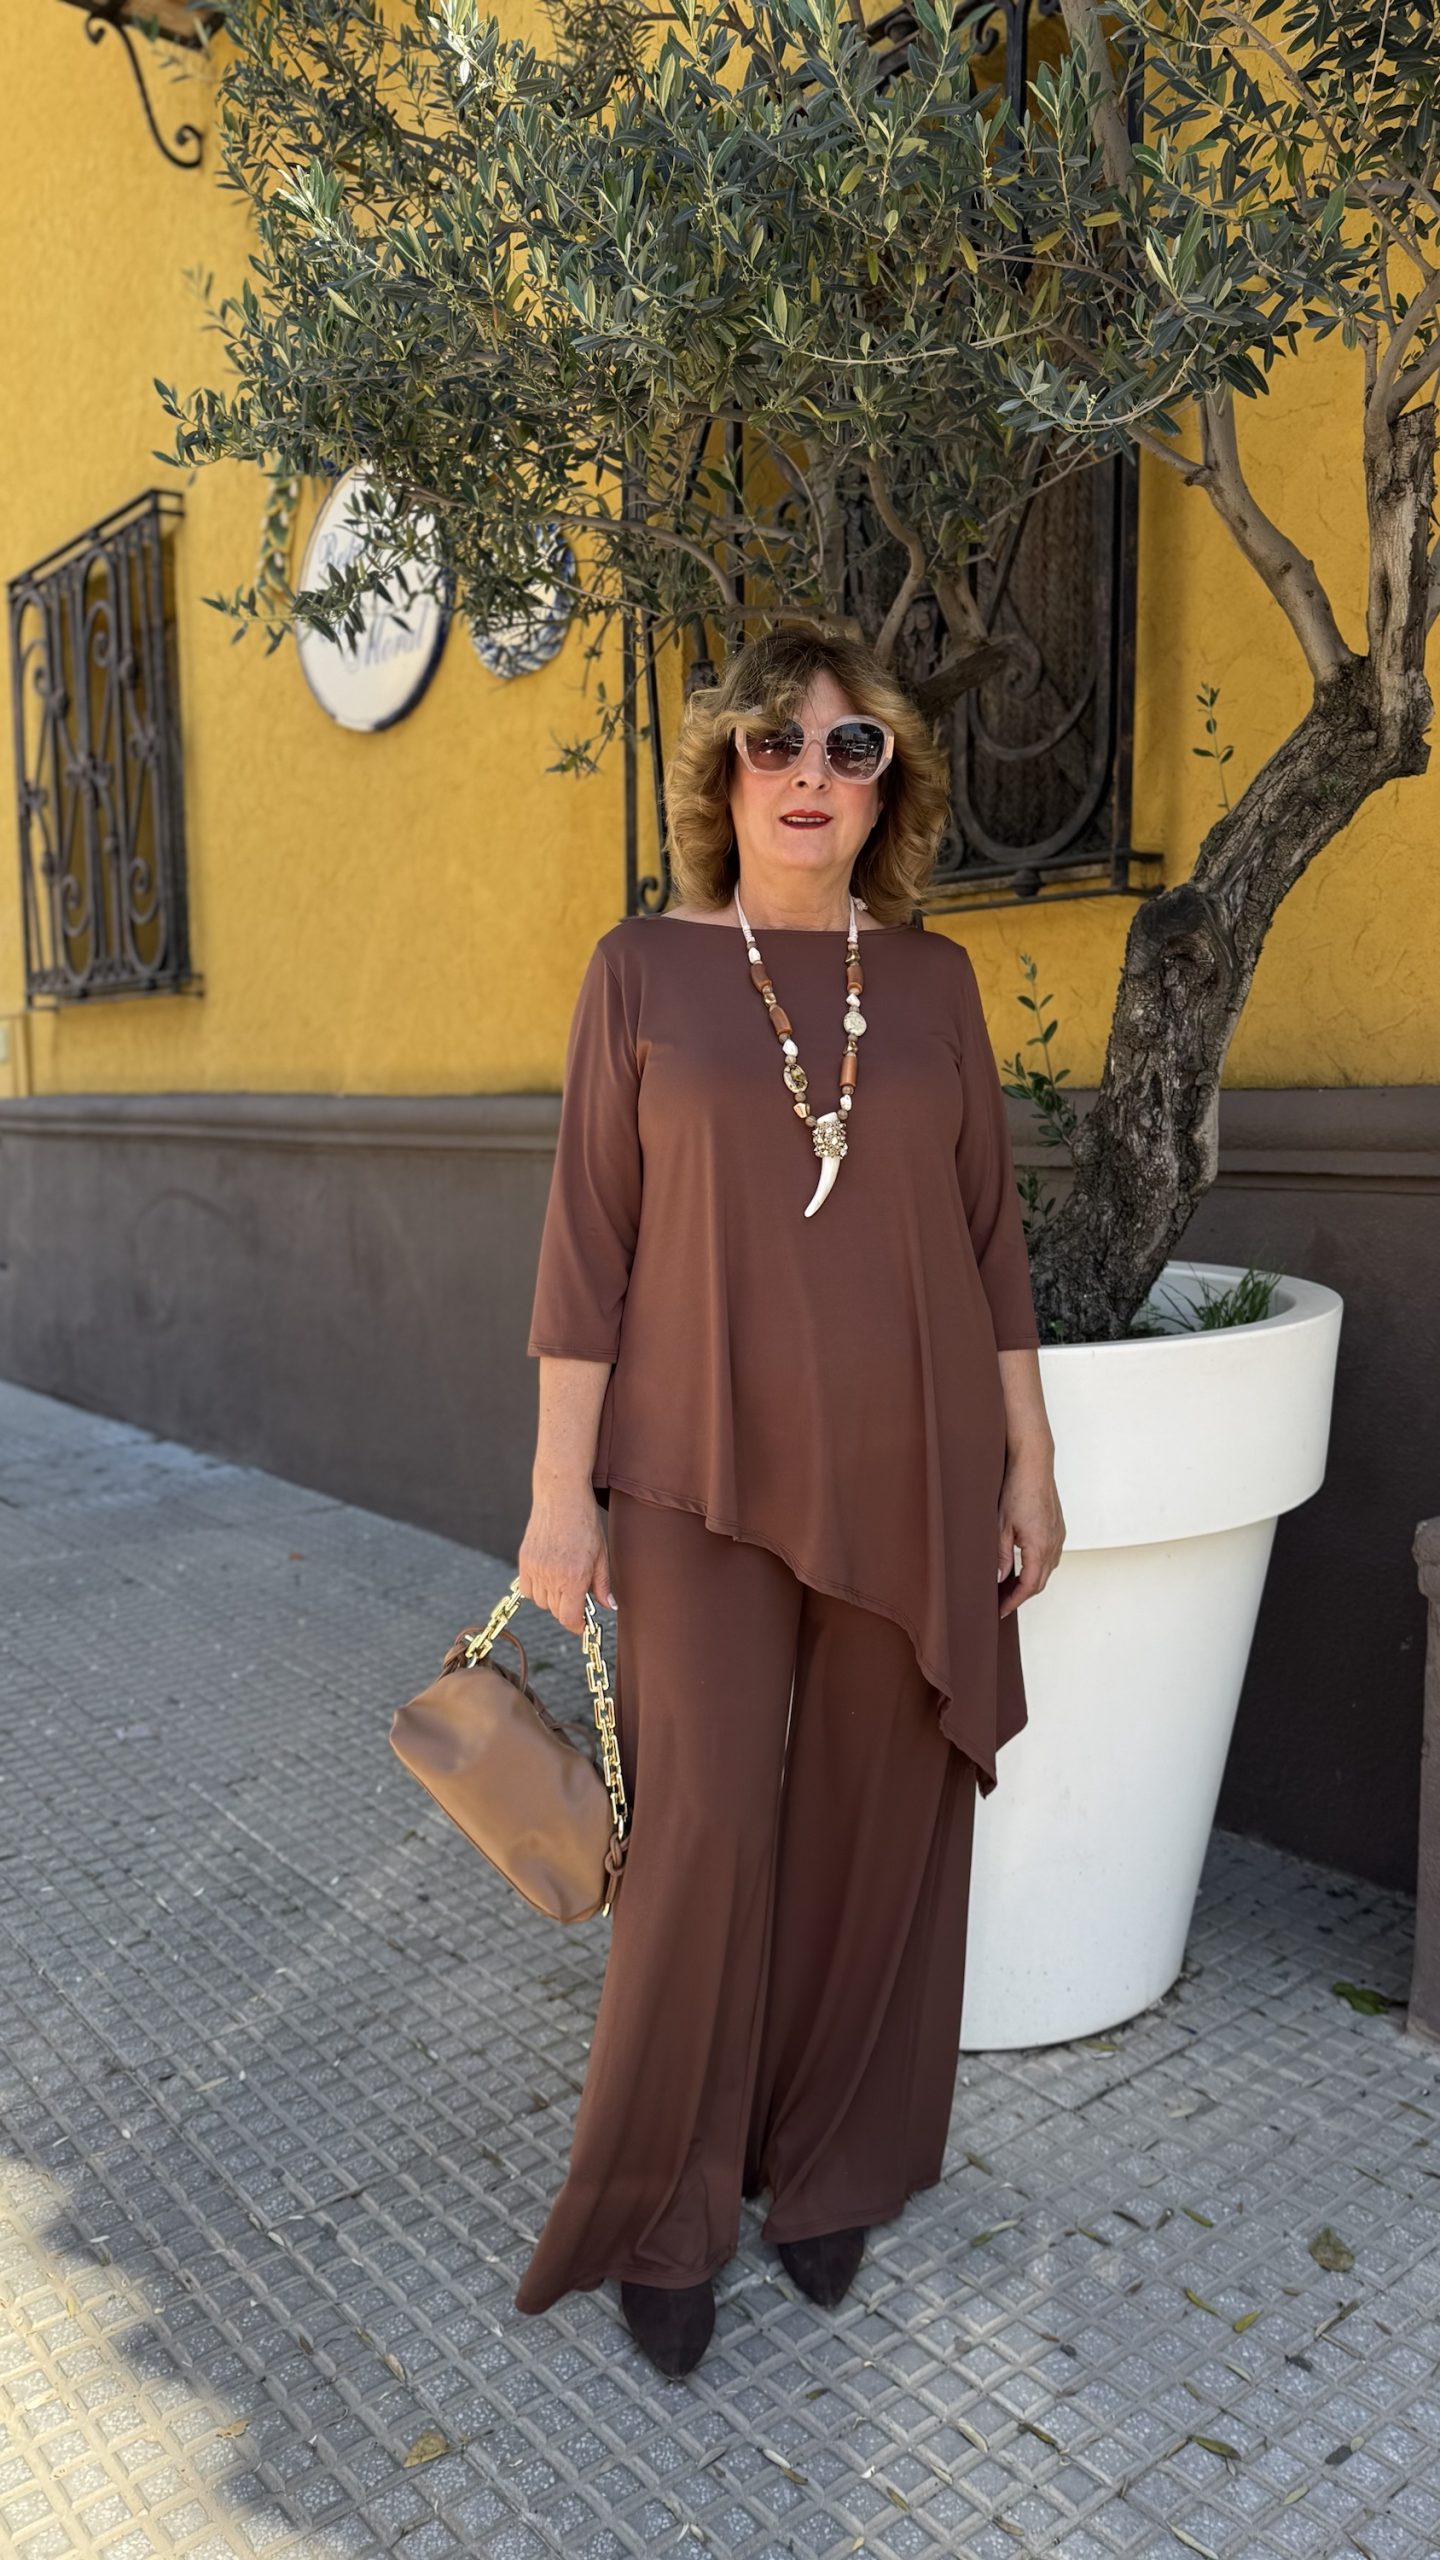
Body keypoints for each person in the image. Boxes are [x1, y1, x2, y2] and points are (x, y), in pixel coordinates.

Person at [514, 620, 1065, 2376]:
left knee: (870, 1821)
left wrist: (1031, 1457)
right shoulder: (639, 972)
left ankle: (828, 2164)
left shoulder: (937, 986)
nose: (811, 776)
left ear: (888, 786)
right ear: (724, 776)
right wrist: (559, 1496)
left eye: (851, 748)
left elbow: (989, 1239)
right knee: (697, 1834)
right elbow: (587, 1253)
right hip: (693, 1471)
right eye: (776, 743)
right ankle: (664, 2207)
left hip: (916, 1465)